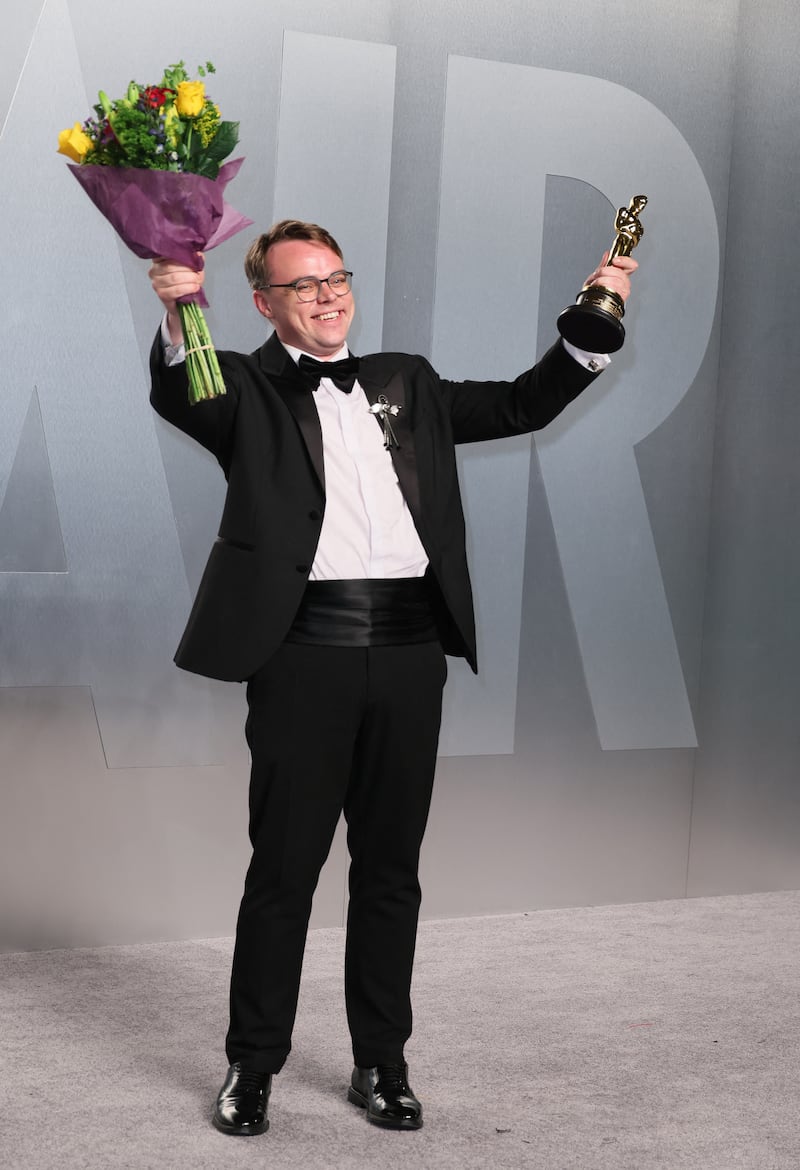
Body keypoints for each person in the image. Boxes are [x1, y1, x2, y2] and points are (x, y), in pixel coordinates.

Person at [148, 219, 636, 1137]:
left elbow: (527, 402)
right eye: (304, 285)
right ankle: (252, 1066)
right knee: (285, 870)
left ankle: (382, 1063)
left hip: (412, 654)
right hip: (303, 657)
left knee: (390, 872)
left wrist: (596, 311)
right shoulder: (243, 387)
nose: (328, 296)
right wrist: (183, 311)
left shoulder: (406, 378)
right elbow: (187, 392)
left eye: (337, 278)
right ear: (265, 303)